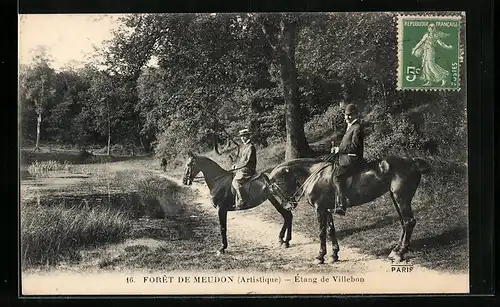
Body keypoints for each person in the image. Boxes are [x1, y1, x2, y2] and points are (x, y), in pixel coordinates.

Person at [331, 103, 365, 215]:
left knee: (337, 176)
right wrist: (337, 149)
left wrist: (339, 150)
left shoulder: (357, 127)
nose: (347, 117)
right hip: (347, 157)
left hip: (354, 159)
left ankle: (342, 204)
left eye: (350, 115)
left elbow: (355, 147)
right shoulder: (350, 126)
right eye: (346, 115)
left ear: (356, 114)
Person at [231, 128, 257, 210]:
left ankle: (243, 201)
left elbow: (247, 161)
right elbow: (241, 159)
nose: (242, 138)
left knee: (236, 181)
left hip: (248, 169)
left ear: (248, 136)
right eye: (241, 136)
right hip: (243, 167)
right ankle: (234, 200)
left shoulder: (250, 147)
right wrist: (235, 165)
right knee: (230, 176)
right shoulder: (245, 147)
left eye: (244, 136)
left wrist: (238, 167)